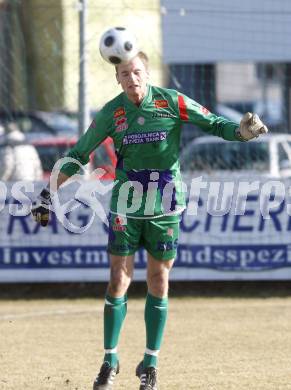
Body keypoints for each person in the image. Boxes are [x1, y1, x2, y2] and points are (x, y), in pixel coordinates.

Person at [31, 51, 268, 390]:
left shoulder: (171, 102)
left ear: (147, 72)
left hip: (165, 207)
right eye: (125, 74)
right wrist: (47, 192)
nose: (132, 78)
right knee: (118, 280)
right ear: (118, 79)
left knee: (159, 280)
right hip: (125, 208)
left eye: (137, 71)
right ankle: (110, 360)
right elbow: (79, 154)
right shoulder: (113, 112)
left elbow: (215, 122)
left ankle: (150, 363)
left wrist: (241, 133)